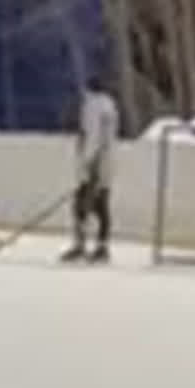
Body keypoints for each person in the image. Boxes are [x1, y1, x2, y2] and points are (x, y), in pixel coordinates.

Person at [63, 83, 120, 264]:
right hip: (106, 162)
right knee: (101, 205)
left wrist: (88, 163)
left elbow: (93, 137)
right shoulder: (110, 106)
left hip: (95, 164)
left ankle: (81, 244)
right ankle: (101, 246)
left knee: (82, 205)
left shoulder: (93, 106)